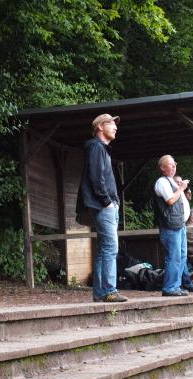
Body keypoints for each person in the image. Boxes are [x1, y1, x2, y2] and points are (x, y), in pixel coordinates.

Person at [79, 114, 128, 302]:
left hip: (105, 206)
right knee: (110, 248)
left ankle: (100, 293)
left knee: (102, 250)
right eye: (111, 124)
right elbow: (96, 178)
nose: (116, 127)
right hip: (103, 206)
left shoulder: (101, 149)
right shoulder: (95, 147)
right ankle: (109, 291)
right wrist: (107, 201)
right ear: (100, 127)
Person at [154, 155, 190, 297]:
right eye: (170, 164)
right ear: (162, 168)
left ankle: (176, 286)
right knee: (174, 256)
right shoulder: (162, 182)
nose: (174, 166)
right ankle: (169, 287)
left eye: (175, 164)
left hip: (179, 225)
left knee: (182, 256)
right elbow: (170, 200)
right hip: (170, 226)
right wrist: (181, 188)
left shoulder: (171, 182)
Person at [173, 175, 193, 293]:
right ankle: (176, 285)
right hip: (174, 228)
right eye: (177, 182)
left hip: (182, 227)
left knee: (182, 257)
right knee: (176, 257)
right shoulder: (173, 194)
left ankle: (185, 283)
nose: (180, 184)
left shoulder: (181, 196)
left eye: (181, 182)